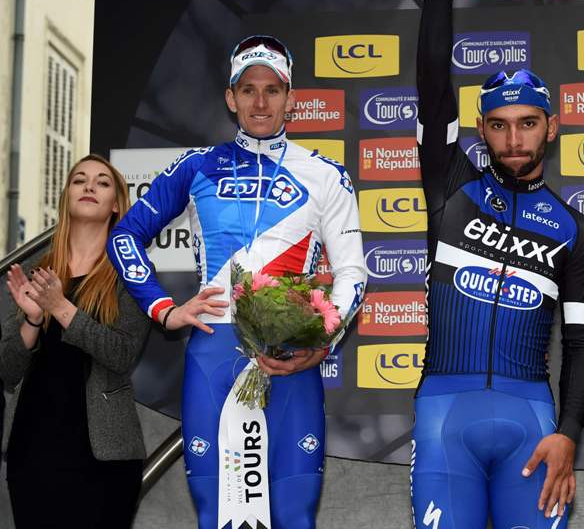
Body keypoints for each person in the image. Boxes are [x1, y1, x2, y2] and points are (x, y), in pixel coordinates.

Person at [107, 35, 367, 529]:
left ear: (291, 97)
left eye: (273, 89)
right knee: (218, 517)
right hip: (214, 349)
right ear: (231, 97)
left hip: (292, 358)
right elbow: (124, 237)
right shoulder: (197, 165)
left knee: (294, 515)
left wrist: (321, 340)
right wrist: (165, 307)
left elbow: (353, 271)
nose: (261, 101)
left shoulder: (325, 174)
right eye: (249, 89)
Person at [403, 0, 584, 528]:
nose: (514, 138)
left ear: (552, 129)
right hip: (444, 414)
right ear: (483, 131)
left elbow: (580, 343)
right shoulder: (452, 185)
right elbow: (433, 93)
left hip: (533, 423)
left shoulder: (574, 230)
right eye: (499, 125)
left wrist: (568, 431)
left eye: (528, 123)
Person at [1, 155, 150, 528]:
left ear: (116, 204)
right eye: (79, 180)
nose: (88, 186)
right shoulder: (35, 266)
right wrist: (34, 319)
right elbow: (8, 370)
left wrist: (60, 308)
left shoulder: (131, 268)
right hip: (31, 451)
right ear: (66, 196)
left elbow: (122, 353)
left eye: (102, 182)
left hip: (104, 459)